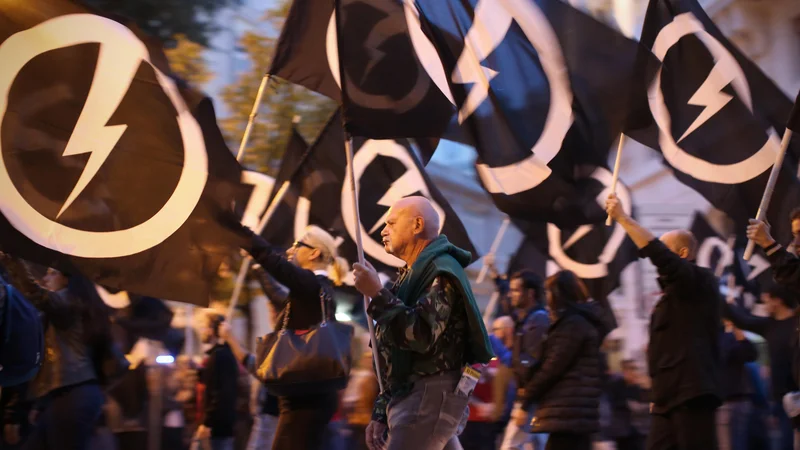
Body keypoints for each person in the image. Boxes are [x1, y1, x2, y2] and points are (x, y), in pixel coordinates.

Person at [351, 196, 494, 450]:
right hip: (420, 397)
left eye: (391, 223)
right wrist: (382, 411)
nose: (383, 230)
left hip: (427, 398)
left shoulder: (441, 270)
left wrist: (377, 293)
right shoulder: (413, 275)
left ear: (417, 225)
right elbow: (393, 353)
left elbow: (420, 335)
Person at [607, 194, 722, 450]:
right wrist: (657, 394)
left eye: (663, 248)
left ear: (682, 253)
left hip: (692, 393)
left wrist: (624, 219)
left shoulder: (699, 282)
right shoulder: (667, 300)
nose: (656, 259)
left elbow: (661, 257)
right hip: (667, 398)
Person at [221, 224, 348, 450]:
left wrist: (239, 230)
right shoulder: (316, 289)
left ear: (314, 253)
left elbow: (272, 260)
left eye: (297, 245)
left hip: (306, 400)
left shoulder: (311, 285)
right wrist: (258, 267)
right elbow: (279, 296)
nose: (290, 250)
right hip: (308, 397)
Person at [0, 256, 109, 450]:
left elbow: (36, 295)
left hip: (73, 393)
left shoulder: (69, 302)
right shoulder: (67, 309)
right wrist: (40, 404)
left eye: (52, 274)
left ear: (67, 279)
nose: (46, 279)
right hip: (65, 394)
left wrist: (12, 260)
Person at [511, 271, 609, 450]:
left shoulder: (572, 325)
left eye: (548, 292)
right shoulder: (577, 322)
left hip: (569, 411)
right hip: (573, 411)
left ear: (558, 294)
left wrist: (525, 403)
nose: (546, 298)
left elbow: (552, 367)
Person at [722, 285, 798, 450]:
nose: (764, 305)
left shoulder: (796, 325)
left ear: (778, 300)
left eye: (767, 300)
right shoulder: (769, 326)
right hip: (780, 399)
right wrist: (723, 302)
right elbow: (742, 319)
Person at [496, 270, 550, 450]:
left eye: (515, 290)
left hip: (531, 397)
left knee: (511, 445)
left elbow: (532, 365)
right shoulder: (527, 318)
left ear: (530, 293)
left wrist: (525, 405)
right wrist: (498, 277)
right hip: (530, 397)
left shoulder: (538, 320)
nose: (511, 295)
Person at [196, 312, 238, 450]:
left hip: (216, 428)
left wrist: (207, 423)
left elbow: (222, 393)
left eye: (205, 327)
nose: (202, 330)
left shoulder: (220, 356)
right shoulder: (216, 355)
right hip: (215, 426)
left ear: (214, 330)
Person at [716, 320, 758, 450]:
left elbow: (751, 354)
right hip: (727, 400)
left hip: (735, 400)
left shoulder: (731, 336)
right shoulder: (716, 336)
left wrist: (736, 328)